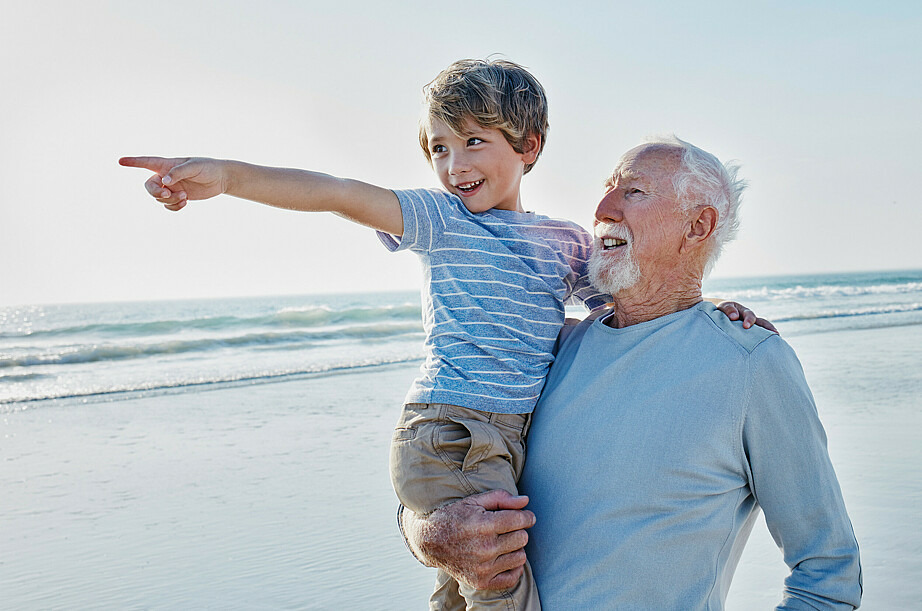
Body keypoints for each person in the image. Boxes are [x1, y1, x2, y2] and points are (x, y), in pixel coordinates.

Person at [121, 59, 763, 610]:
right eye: (438, 147)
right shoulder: (442, 220)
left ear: (528, 146)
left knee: (463, 590)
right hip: (449, 431)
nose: (454, 165)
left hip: (512, 439)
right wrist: (228, 177)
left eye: (474, 141)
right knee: (500, 584)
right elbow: (339, 193)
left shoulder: (564, 243)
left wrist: (711, 313)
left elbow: (627, 311)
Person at [402, 137, 863, 610]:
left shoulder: (752, 363)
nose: (602, 208)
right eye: (607, 188)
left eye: (634, 192)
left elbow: (828, 571)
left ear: (698, 225)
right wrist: (427, 535)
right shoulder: (550, 349)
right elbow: (438, 471)